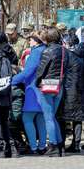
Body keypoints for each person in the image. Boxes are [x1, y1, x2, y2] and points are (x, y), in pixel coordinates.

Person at [12, 32, 47, 154]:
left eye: (30, 40)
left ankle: (33, 147)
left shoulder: (36, 52)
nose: (29, 42)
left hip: (33, 88)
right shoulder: (45, 50)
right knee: (41, 119)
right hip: (43, 88)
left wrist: (12, 81)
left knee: (27, 118)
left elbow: (28, 72)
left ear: (36, 41)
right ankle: (42, 146)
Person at [35, 28, 65, 157]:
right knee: (53, 116)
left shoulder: (47, 51)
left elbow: (41, 70)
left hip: (48, 84)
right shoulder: (64, 50)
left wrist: (37, 83)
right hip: (60, 84)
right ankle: (59, 145)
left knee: (48, 117)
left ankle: (53, 145)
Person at [59, 34, 84, 153]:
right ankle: (76, 144)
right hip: (82, 89)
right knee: (78, 118)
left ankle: (61, 143)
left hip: (68, 89)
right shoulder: (83, 55)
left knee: (62, 117)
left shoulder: (67, 55)